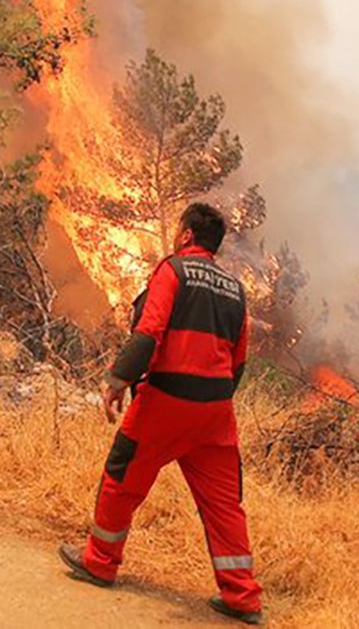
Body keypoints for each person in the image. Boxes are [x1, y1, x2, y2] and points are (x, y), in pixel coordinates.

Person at [58, 203, 263, 625]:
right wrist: (213, 401)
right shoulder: (235, 290)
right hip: (216, 411)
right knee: (224, 504)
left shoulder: (174, 271)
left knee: (122, 475)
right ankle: (242, 595)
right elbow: (239, 361)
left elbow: (149, 332)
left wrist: (118, 380)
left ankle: (100, 561)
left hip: (167, 399)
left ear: (187, 235)